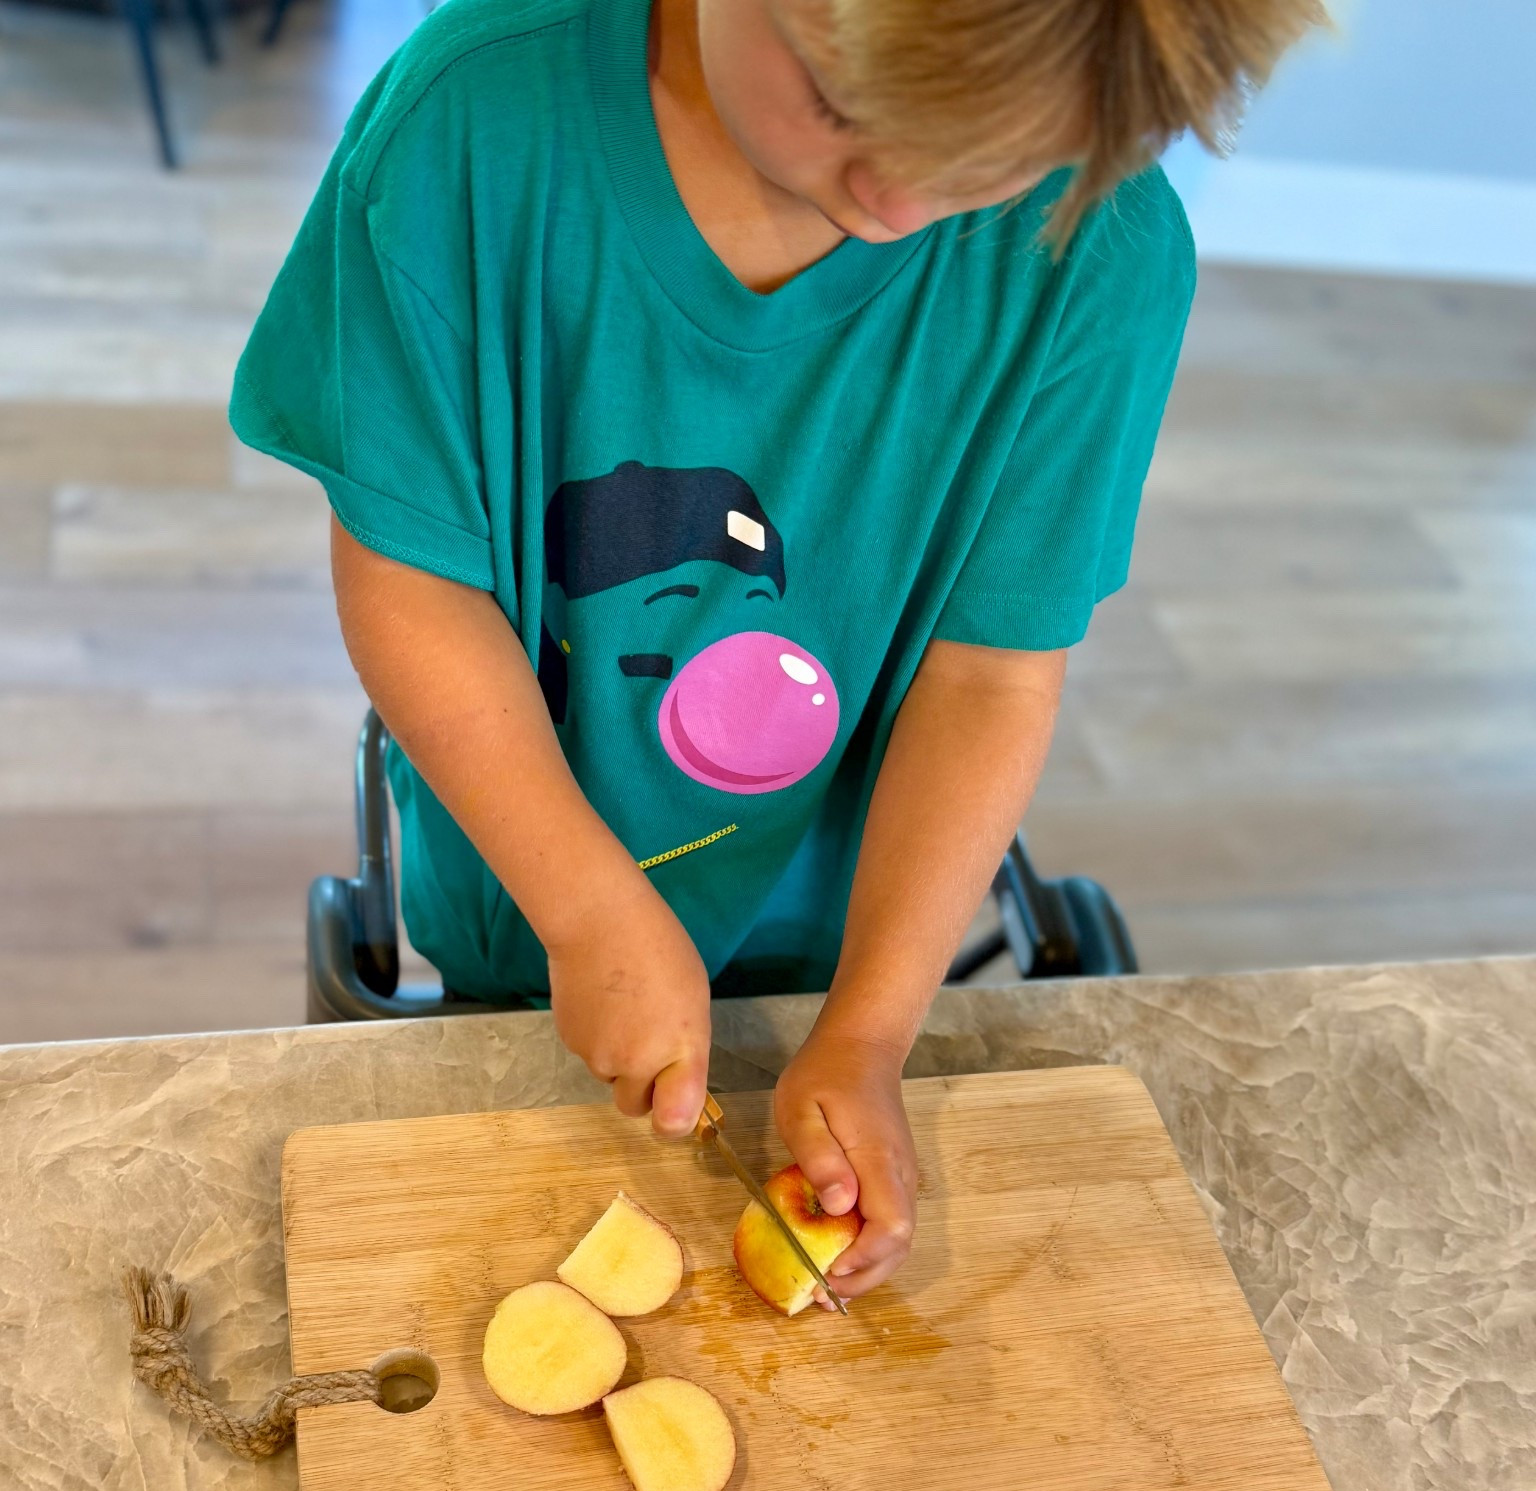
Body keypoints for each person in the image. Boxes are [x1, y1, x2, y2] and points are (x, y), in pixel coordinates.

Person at [231, 0, 1321, 1302]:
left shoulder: (1100, 251)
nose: (898, 200)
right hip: (522, 911)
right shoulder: (466, 125)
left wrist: (869, 1031)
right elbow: (413, 585)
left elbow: (989, 674)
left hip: (840, 931)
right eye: (843, 106)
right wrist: (582, 906)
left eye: (992, 162)